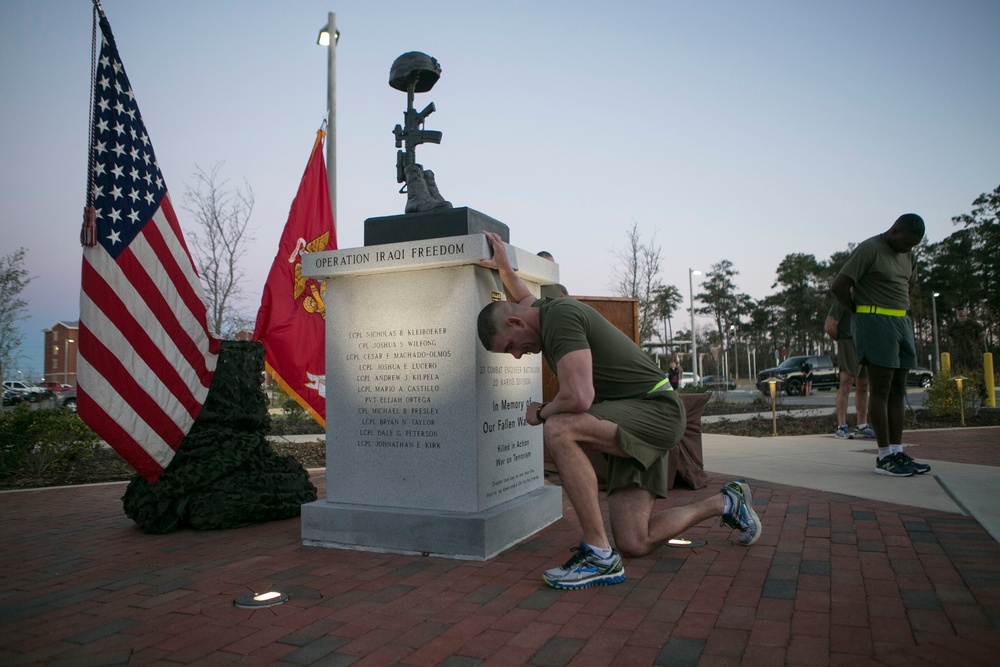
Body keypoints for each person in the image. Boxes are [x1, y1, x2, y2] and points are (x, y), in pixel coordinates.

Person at [478, 231, 760, 590]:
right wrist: (504, 267)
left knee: (559, 427)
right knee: (634, 541)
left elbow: (579, 398)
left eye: (510, 347)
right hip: (631, 417)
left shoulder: (559, 318)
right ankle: (727, 502)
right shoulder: (541, 316)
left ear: (516, 323)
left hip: (655, 411)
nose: (517, 355)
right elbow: (522, 296)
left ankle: (598, 554)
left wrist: (541, 411)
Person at [830, 213, 931, 477]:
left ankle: (897, 452)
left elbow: (908, 287)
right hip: (875, 322)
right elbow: (839, 285)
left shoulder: (908, 256)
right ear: (895, 229)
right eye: (907, 242)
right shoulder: (870, 249)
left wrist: (900, 312)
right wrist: (860, 314)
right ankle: (884, 456)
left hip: (901, 322)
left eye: (914, 245)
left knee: (899, 388)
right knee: (881, 387)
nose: (909, 249)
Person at [824, 302, 873, 439]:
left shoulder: (867, 297)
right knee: (846, 382)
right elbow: (829, 326)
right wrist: (843, 339)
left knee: (864, 384)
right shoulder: (842, 300)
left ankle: (862, 425)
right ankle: (842, 426)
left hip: (865, 342)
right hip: (848, 341)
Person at [948, 305, 986, 375]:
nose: (960, 312)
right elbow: (951, 339)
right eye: (959, 310)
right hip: (960, 356)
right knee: (960, 375)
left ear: (966, 311)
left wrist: (975, 346)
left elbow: (982, 339)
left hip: (973, 355)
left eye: (962, 310)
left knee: (977, 374)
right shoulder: (954, 327)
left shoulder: (975, 325)